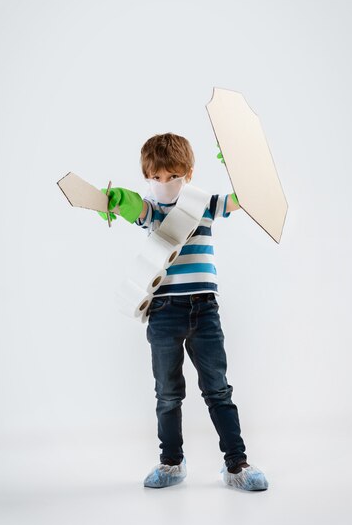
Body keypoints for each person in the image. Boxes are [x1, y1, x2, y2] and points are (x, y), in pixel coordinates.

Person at [98, 133, 268, 492]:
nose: (163, 184)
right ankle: (171, 462)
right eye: (155, 178)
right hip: (163, 312)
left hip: (204, 309)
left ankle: (237, 464)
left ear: (188, 173)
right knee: (168, 393)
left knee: (218, 389)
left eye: (171, 176)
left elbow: (245, 199)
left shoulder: (203, 204)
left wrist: (239, 164)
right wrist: (116, 201)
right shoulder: (152, 211)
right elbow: (136, 209)